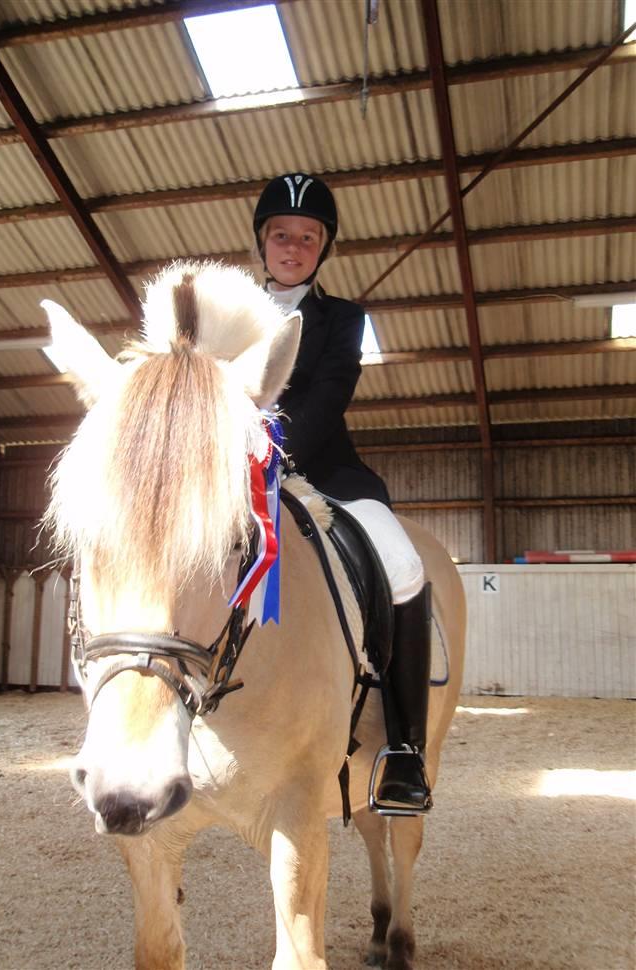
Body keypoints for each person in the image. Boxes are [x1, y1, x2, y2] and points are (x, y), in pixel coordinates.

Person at [253, 172, 432, 814]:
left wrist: (269, 457)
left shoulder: (343, 318)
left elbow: (328, 397)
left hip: (325, 469)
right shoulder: (228, 311)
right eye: (282, 235)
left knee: (403, 563)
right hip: (231, 473)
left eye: (307, 237)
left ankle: (404, 749)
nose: (293, 247)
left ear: (322, 247)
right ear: (263, 242)